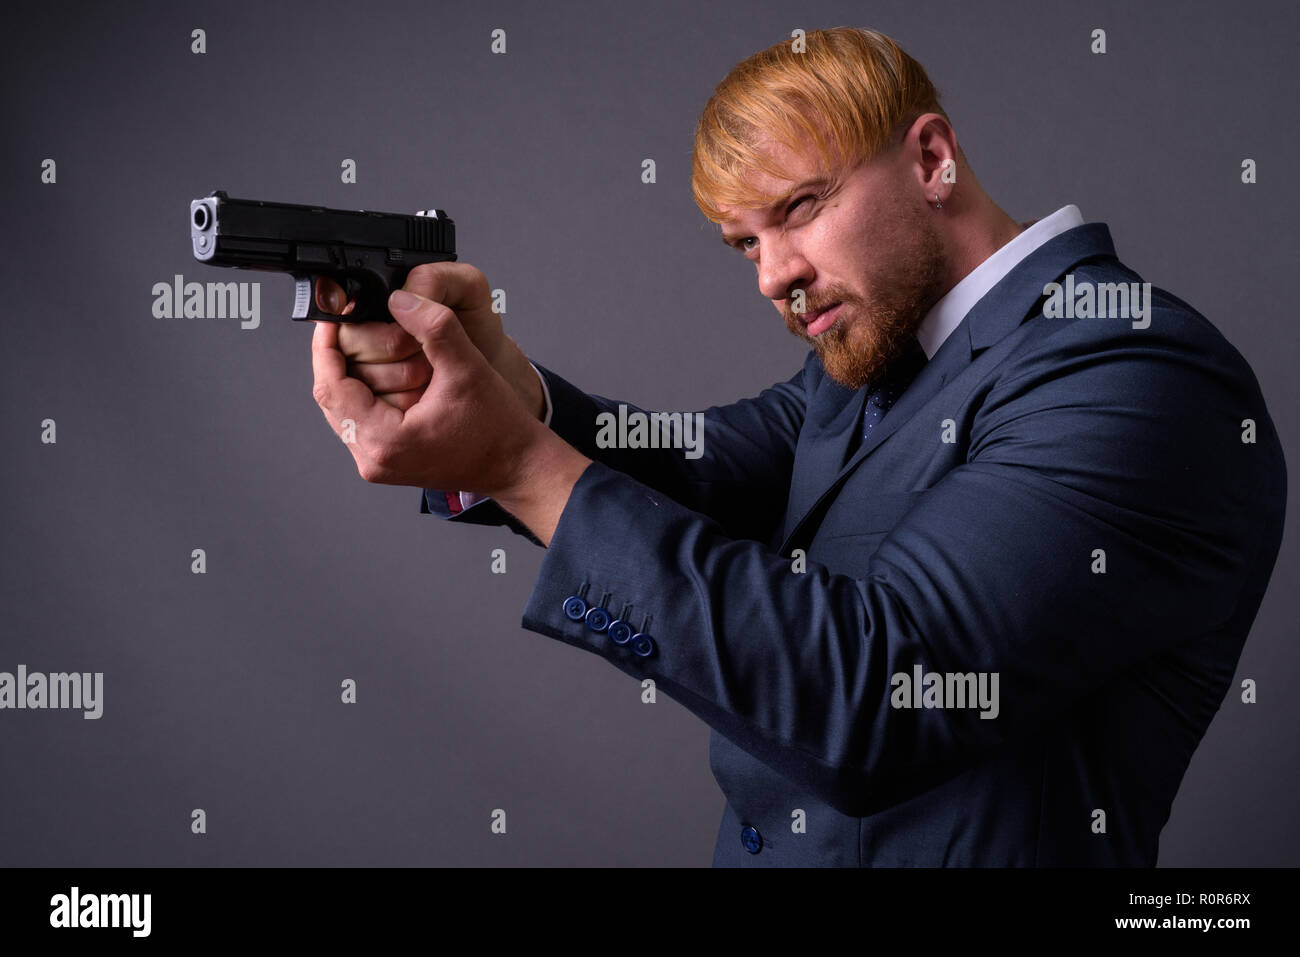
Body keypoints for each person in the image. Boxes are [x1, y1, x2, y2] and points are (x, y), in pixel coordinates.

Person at [309, 27, 1286, 866]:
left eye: (800, 208)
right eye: (743, 243)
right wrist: (504, 387)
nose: (774, 275)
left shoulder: (1133, 373)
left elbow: (883, 698)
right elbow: (700, 468)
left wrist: (518, 466)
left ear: (932, 157)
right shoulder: (880, 352)